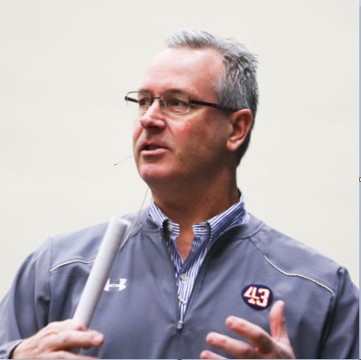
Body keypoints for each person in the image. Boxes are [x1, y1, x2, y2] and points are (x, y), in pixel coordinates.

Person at [0, 29, 358, 359]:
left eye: (177, 103)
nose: (148, 119)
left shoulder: (318, 287)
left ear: (236, 128)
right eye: (143, 101)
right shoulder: (60, 269)